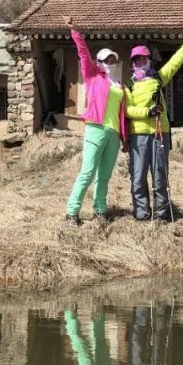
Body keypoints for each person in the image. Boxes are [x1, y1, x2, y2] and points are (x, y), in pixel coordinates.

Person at [124, 32, 183, 222]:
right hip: (138, 135)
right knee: (138, 175)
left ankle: (161, 213)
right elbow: (127, 110)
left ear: (149, 60)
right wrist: (147, 112)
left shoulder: (158, 78)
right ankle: (141, 213)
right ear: (133, 62)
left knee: (160, 174)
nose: (141, 61)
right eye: (137, 59)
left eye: (144, 58)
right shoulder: (129, 85)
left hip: (160, 131)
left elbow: (175, 62)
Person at [64, 17, 128, 226]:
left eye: (113, 60)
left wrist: (124, 136)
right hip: (96, 128)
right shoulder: (93, 76)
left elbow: (121, 112)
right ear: (99, 62)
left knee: (105, 176)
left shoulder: (119, 84)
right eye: (107, 60)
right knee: (87, 172)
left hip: (113, 133)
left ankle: (100, 209)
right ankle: (72, 212)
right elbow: (83, 54)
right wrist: (75, 32)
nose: (111, 63)